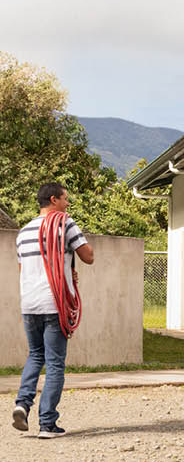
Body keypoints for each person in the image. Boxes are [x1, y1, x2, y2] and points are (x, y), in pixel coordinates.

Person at [13, 183, 94, 438]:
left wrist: (67, 269)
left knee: (35, 355)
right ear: (53, 200)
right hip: (54, 303)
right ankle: (47, 424)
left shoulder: (23, 232)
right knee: (55, 363)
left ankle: (22, 404)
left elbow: (23, 270)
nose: (67, 204)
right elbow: (89, 256)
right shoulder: (65, 224)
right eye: (65, 199)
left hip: (30, 304)